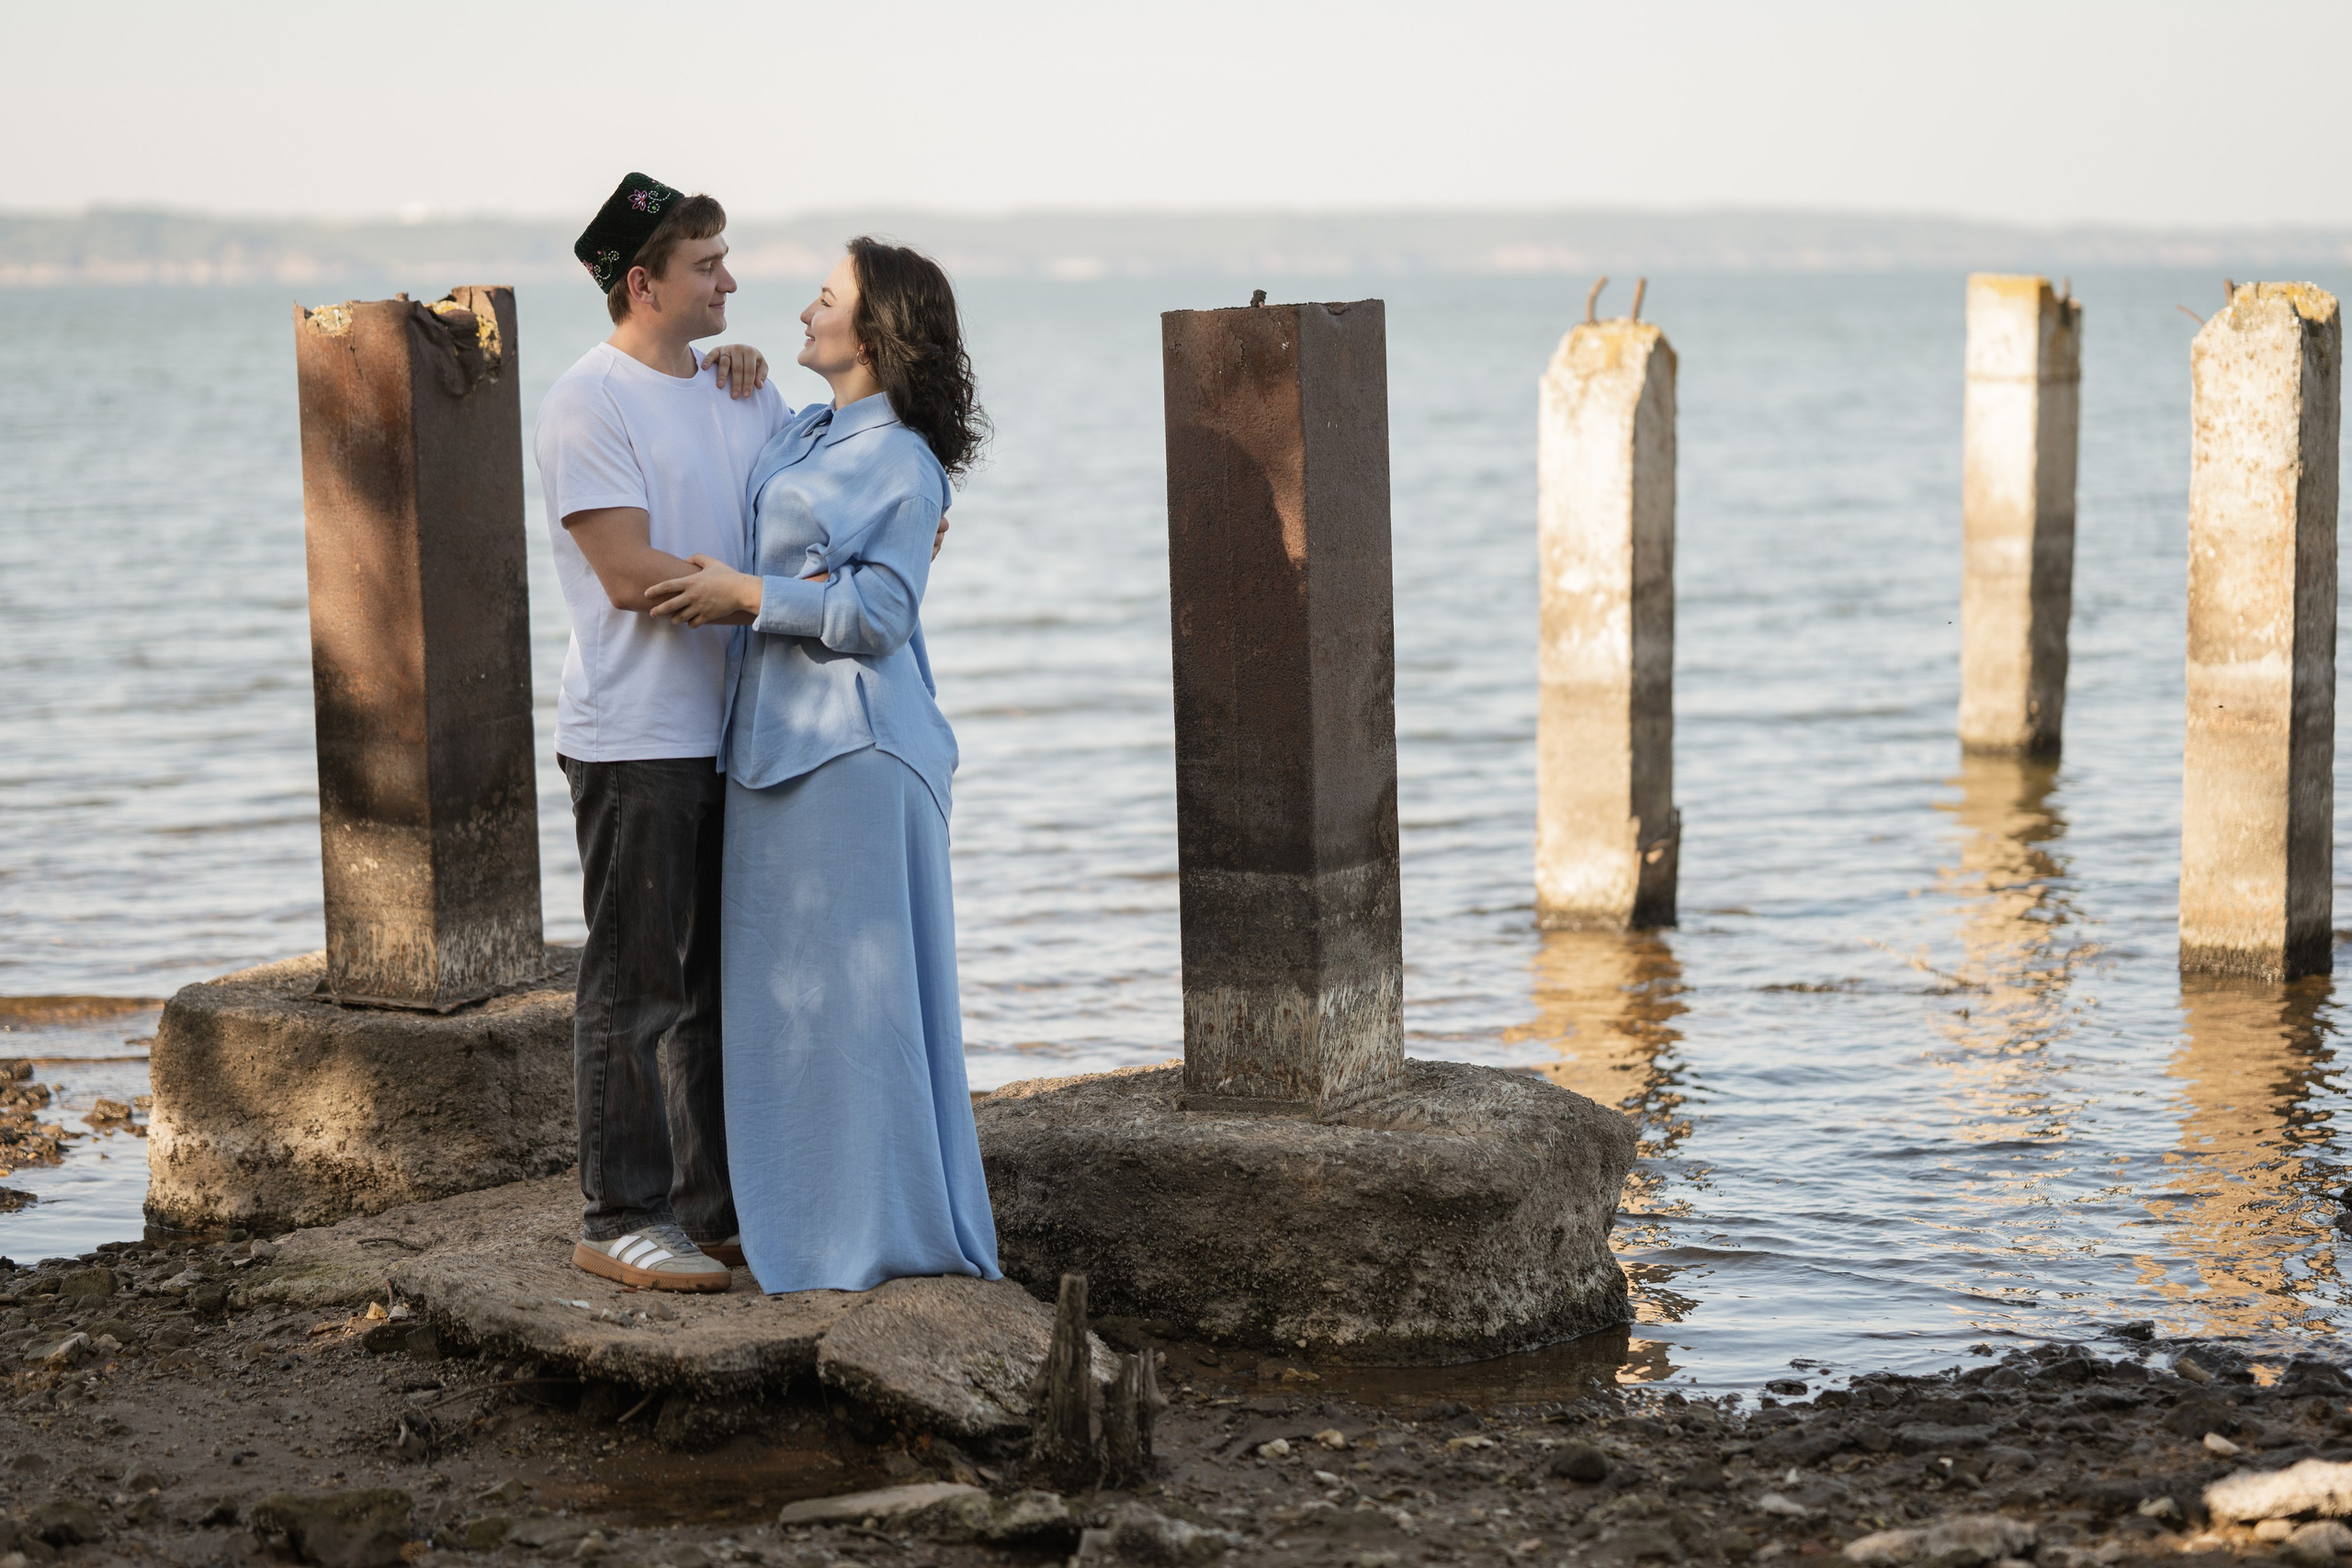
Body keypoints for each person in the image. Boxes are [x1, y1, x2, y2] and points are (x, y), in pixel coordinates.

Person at [644, 237, 999, 1293]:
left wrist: (751, 597)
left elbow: (881, 616)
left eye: (826, 297)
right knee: (787, 1006)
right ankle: (798, 1232)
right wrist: (734, 366)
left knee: (863, 1011)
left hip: (853, 753)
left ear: (873, 330)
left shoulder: (900, 459)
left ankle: (877, 1240)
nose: (804, 308)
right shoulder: (802, 429)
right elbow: (750, 492)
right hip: (769, 750)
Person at [534, 172, 787, 1292]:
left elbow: (804, 503)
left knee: (717, 986)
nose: (730, 280)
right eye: (707, 265)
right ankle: (617, 1217)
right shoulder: (589, 399)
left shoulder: (741, 389)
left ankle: (709, 1210)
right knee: (634, 988)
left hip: (738, 731)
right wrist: (758, 590)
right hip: (635, 735)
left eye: (727, 259)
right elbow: (629, 574)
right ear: (642, 283)